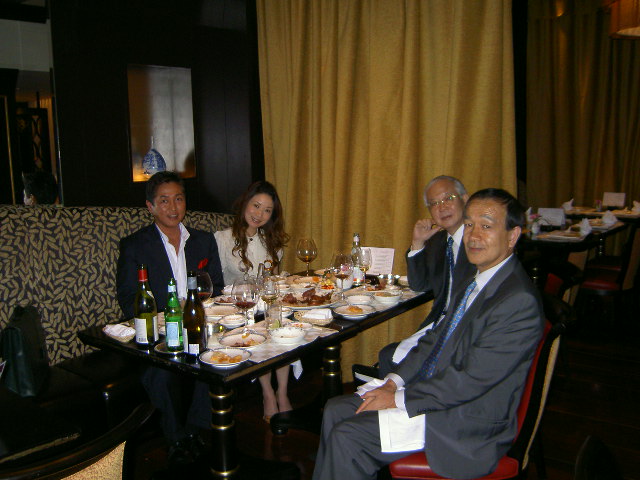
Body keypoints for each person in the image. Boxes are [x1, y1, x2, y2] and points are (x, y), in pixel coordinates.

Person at [313, 188, 545, 480]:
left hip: (465, 419)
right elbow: (435, 340)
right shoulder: (475, 279)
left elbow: (470, 381)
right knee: (335, 409)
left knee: (349, 436)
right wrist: (393, 383)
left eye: (486, 226)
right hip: (437, 393)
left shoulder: (517, 301)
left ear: (512, 236)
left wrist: (398, 399)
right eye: (469, 224)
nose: (473, 235)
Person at [116, 171, 224, 466]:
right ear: (150, 206)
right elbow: (128, 298)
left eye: (178, 199)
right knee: (159, 372)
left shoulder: (203, 241)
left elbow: (216, 288)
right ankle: (176, 439)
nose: (173, 207)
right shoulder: (135, 245)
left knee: (212, 355)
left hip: (198, 326)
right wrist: (165, 319)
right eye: (164, 201)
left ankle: (195, 431)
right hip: (159, 333)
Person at [377, 175, 475, 376]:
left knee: (394, 360)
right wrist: (418, 243)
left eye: (448, 198)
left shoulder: (480, 242)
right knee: (388, 356)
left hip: (466, 329)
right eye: (434, 203)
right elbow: (420, 284)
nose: (442, 207)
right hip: (439, 323)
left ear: (465, 199)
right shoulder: (438, 240)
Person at [214, 180, 293, 421]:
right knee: (261, 327)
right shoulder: (222, 239)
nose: (259, 214)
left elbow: (273, 280)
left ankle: (283, 391)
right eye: (256, 206)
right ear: (245, 203)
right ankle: (267, 392)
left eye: (267, 210)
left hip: (265, 305)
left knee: (281, 324)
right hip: (237, 309)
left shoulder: (270, 241)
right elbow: (216, 284)